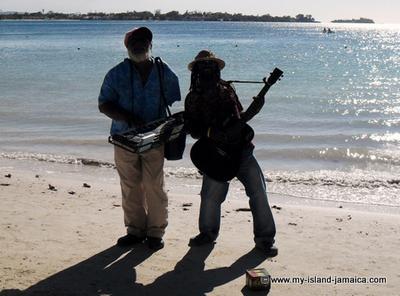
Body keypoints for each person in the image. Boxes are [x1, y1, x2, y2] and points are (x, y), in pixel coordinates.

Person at [184, 50, 277, 256]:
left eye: (211, 66)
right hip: (215, 155)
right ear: (196, 72)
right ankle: (207, 233)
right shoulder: (192, 98)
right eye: (203, 67)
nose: (208, 70)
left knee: (258, 193)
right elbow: (193, 130)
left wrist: (256, 108)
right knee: (209, 197)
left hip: (242, 152)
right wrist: (212, 132)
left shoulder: (228, 91)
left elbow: (239, 119)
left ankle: (265, 239)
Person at [98, 27, 181, 251]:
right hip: (123, 138)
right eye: (134, 41)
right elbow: (103, 104)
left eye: (144, 41)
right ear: (127, 47)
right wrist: (126, 117)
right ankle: (134, 230)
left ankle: (156, 232)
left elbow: (173, 99)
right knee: (130, 185)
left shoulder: (165, 71)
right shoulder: (116, 73)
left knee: (155, 184)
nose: (139, 45)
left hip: (155, 138)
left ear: (150, 45)